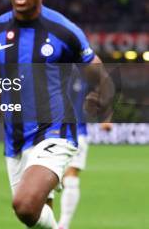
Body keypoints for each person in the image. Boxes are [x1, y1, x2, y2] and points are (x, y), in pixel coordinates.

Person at [0, 0, 112, 229]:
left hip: (55, 131)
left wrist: (103, 100)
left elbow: (101, 78)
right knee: (36, 216)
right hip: (15, 140)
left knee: (25, 206)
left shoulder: (63, 30)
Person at [57, 73, 113, 229]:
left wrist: (106, 117)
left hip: (75, 133)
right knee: (59, 178)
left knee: (70, 176)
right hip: (50, 133)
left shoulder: (82, 72)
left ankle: (63, 224)